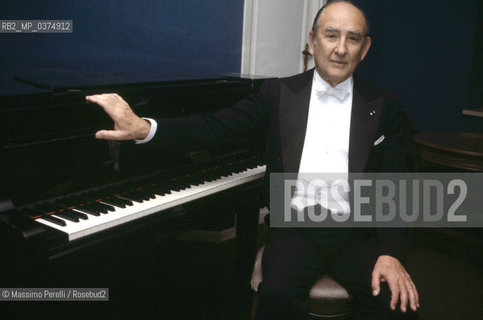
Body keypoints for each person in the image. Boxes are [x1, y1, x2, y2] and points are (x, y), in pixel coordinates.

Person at [86, 1, 419, 319]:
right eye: (331, 35)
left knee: (396, 303)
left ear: (365, 48)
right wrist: (145, 127)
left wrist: (390, 253)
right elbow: (217, 127)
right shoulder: (277, 94)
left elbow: (395, 184)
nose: (341, 48)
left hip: (355, 235)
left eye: (353, 38)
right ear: (313, 40)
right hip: (295, 230)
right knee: (277, 296)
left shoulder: (383, 105)